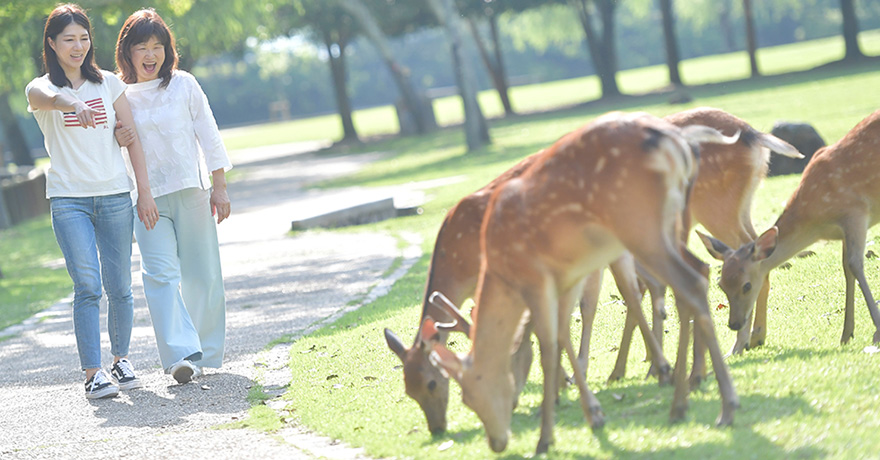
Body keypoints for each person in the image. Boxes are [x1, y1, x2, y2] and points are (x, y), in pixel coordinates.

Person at [26, 4, 159, 399]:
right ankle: (92, 372)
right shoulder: (42, 88)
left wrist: (143, 192)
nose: (78, 46)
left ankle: (121, 359)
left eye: (84, 38)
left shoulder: (110, 84)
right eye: (69, 39)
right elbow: (42, 94)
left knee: (119, 286)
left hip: (115, 194)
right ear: (52, 43)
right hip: (69, 199)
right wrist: (73, 104)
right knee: (87, 284)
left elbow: (130, 138)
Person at [114, 8, 232, 384]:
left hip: (192, 192)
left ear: (167, 49)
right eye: (141, 47)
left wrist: (220, 186)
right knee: (160, 276)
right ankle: (181, 355)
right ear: (127, 52)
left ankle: (207, 352)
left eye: (157, 46)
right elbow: (113, 149)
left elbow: (208, 133)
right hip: (145, 200)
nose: (151, 55)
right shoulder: (118, 95)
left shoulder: (184, 84)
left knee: (203, 274)